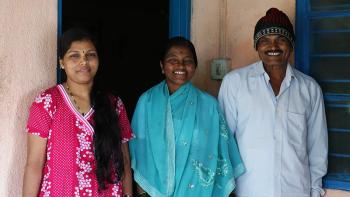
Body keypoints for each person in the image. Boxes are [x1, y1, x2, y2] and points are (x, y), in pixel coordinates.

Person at [218, 7, 328, 197]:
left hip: (296, 191)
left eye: (281, 40)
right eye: (265, 41)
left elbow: (317, 147)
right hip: (249, 191)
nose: (273, 46)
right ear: (256, 46)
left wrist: (315, 191)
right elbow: (223, 142)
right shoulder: (235, 83)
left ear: (291, 45)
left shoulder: (309, 89)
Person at [23, 27, 134, 197]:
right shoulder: (47, 102)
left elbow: (124, 161)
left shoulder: (113, 103)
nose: (84, 62)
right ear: (61, 62)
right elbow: (34, 164)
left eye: (90, 55)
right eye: (74, 56)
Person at [129, 36, 245, 197]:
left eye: (187, 60)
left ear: (195, 67)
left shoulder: (209, 105)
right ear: (162, 66)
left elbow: (223, 154)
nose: (180, 65)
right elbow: (140, 155)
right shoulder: (147, 102)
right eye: (173, 60)